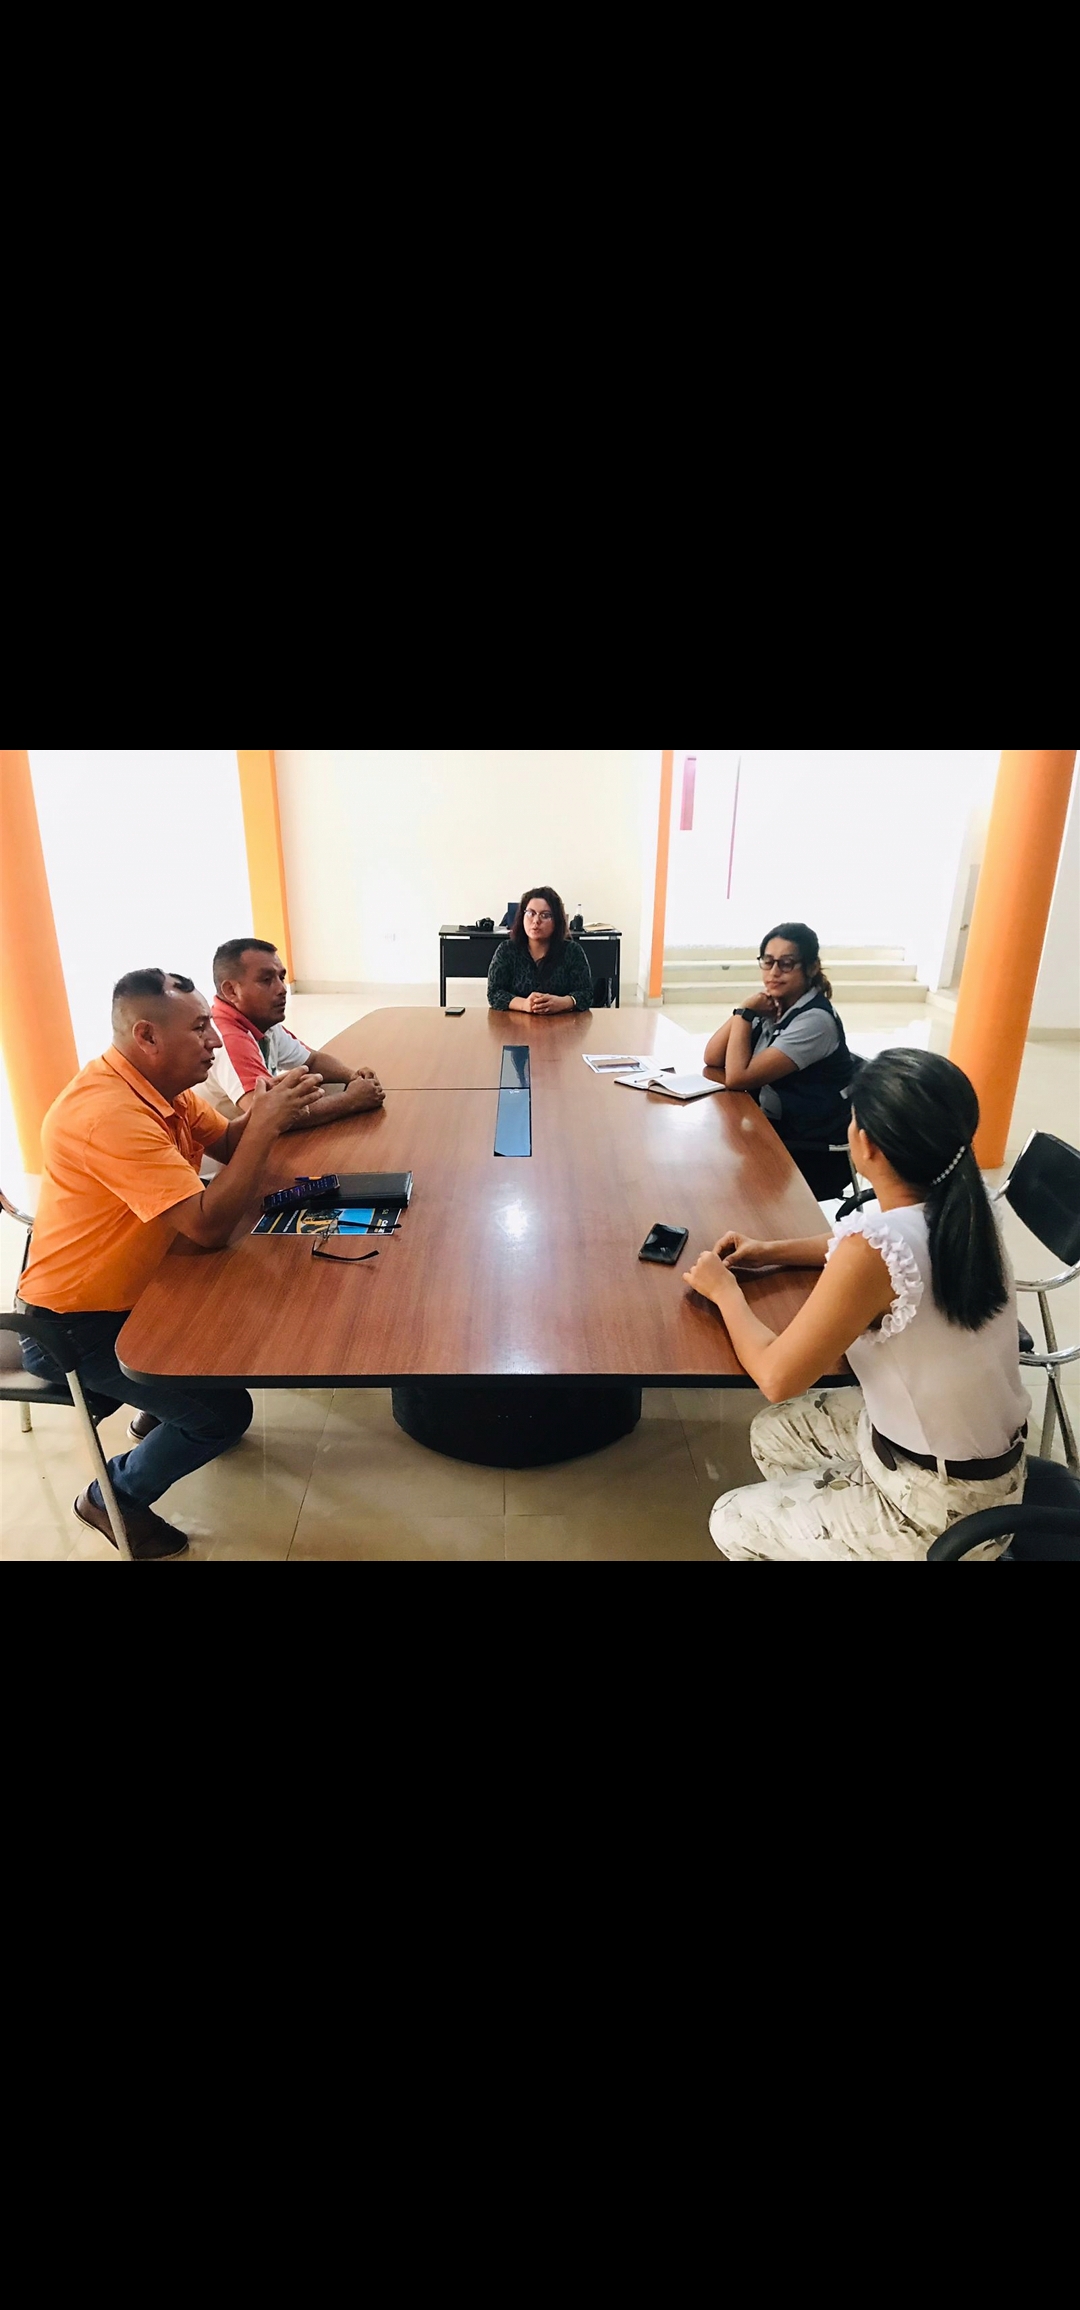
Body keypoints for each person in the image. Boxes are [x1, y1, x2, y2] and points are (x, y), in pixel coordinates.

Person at [19, 970, 321, 1560]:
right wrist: (266, 1124)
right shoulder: (110, 1114)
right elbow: (206, 1226)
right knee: (222, 1415)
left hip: (140, 1290)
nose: (214, 1040)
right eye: (200, 1027)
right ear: (147, 1036)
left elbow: (227, 1144)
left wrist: (271, 1112)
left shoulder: (160, 1089)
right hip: (72, 1327)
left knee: (250, 1325)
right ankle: (112, 1497)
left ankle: (154, 1413)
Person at [682, 1049, 1030, 1561]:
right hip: (988, 1469)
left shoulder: (874, 1251)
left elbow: (776, 1377)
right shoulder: (968, 1204)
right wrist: (771, 1250)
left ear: (866, 1143)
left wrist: (724, 1291)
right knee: (775, 1432)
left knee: (732, 1517)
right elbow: (872, 1247)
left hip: (940, 1509)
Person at [703, 924, 858, 1174]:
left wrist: (744, 1013)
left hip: (811, 1151)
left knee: (711, 1165)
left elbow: (737, 1078)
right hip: (775, 1128)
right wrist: (746, 1012)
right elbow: (712, 1057)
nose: (774, 972)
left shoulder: (815, 1021)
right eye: (768, 962)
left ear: (812, 967)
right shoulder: (774, 1004)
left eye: (786, 964)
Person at [209, 940, 385, 1120]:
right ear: (231, 991)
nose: (282, 989)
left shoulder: (262, 1022)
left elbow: (312, 1061)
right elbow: (268, 1115)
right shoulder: (226, 1038)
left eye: (281, 978)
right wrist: (350, 1100)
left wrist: (354, 1077)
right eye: (266, 980)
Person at [487, 890, 593, 1015]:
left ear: (556, 920)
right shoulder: (507, 950)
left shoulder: (572, 951)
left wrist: (563, 1003)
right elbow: (494, 993)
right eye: (530, 913)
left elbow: (586, 994)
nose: (536, 921)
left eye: (545, 915)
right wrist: (523, 1004)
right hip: (516, 1022)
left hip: (562, 1022)